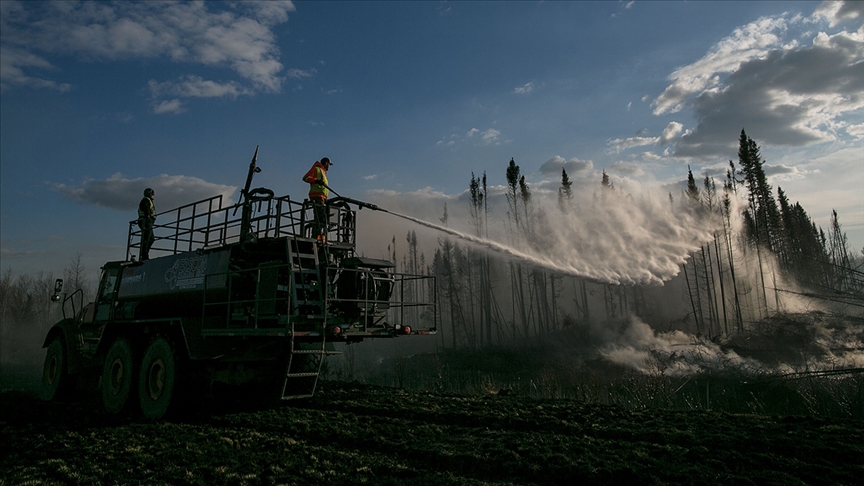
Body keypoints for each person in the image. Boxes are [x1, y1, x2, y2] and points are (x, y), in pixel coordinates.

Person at [302, 157, 333, 239]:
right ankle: (317, 236)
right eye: (329, 164)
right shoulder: (317, 169)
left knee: (321, 217)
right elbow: (305, 178)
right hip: (317, 196)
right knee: (320, 217)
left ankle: (318, 235)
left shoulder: (322, 172)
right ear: (326, 163)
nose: (329, 166)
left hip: (322, 198)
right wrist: (316, 181)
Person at [138, 188, 156, 260]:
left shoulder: (148, 200)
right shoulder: (146, 200)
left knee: (151, 239)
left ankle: (145, 254)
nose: (153, 195)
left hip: (148, 222)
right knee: (147, 238)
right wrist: (148, 217)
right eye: (152, 194)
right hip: (145, 222)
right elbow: (146, 209)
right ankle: (144, 255)